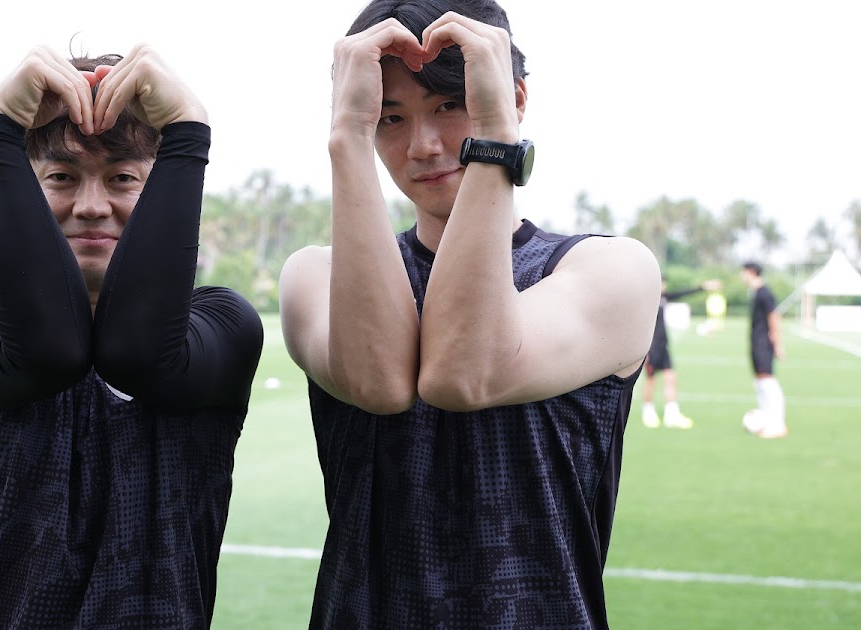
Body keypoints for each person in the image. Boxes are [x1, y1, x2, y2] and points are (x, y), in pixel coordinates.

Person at [278, 0, 661, 627]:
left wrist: (495, 134)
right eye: (389, 117)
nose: (423, 145)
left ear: (515, 98)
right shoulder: (316, 276)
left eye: (450, 105)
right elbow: (381, 383)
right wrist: (346, 138)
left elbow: (464, 374)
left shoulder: (609, 271)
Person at [0, 45, 264, 628]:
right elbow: (46, 352)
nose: (92, 206)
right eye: (60, 177)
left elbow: (141, 354)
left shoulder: (223, 324)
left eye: (123, 178)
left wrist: (188, 128)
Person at [640, 277, 723, 429]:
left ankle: (671, 414)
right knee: (651, 381)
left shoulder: (664, 298)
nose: (663, 286)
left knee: (671, 378)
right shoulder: (646, 301)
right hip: (651, 349)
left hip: (663, 347)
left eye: (664, 283)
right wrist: (645, 350)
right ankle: (648, 412)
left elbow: (683, 293)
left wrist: (703, 287)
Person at [740, 261, 787, 438]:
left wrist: (777, 343)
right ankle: (766, 421)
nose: (741, 276)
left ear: (751, 272)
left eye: (743, 272)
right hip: (756, 342)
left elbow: (773, 316)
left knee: (768, 381)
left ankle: (778, 425)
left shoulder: (764, 293)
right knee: (759, 381)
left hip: (763, 343)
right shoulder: (755, 292)